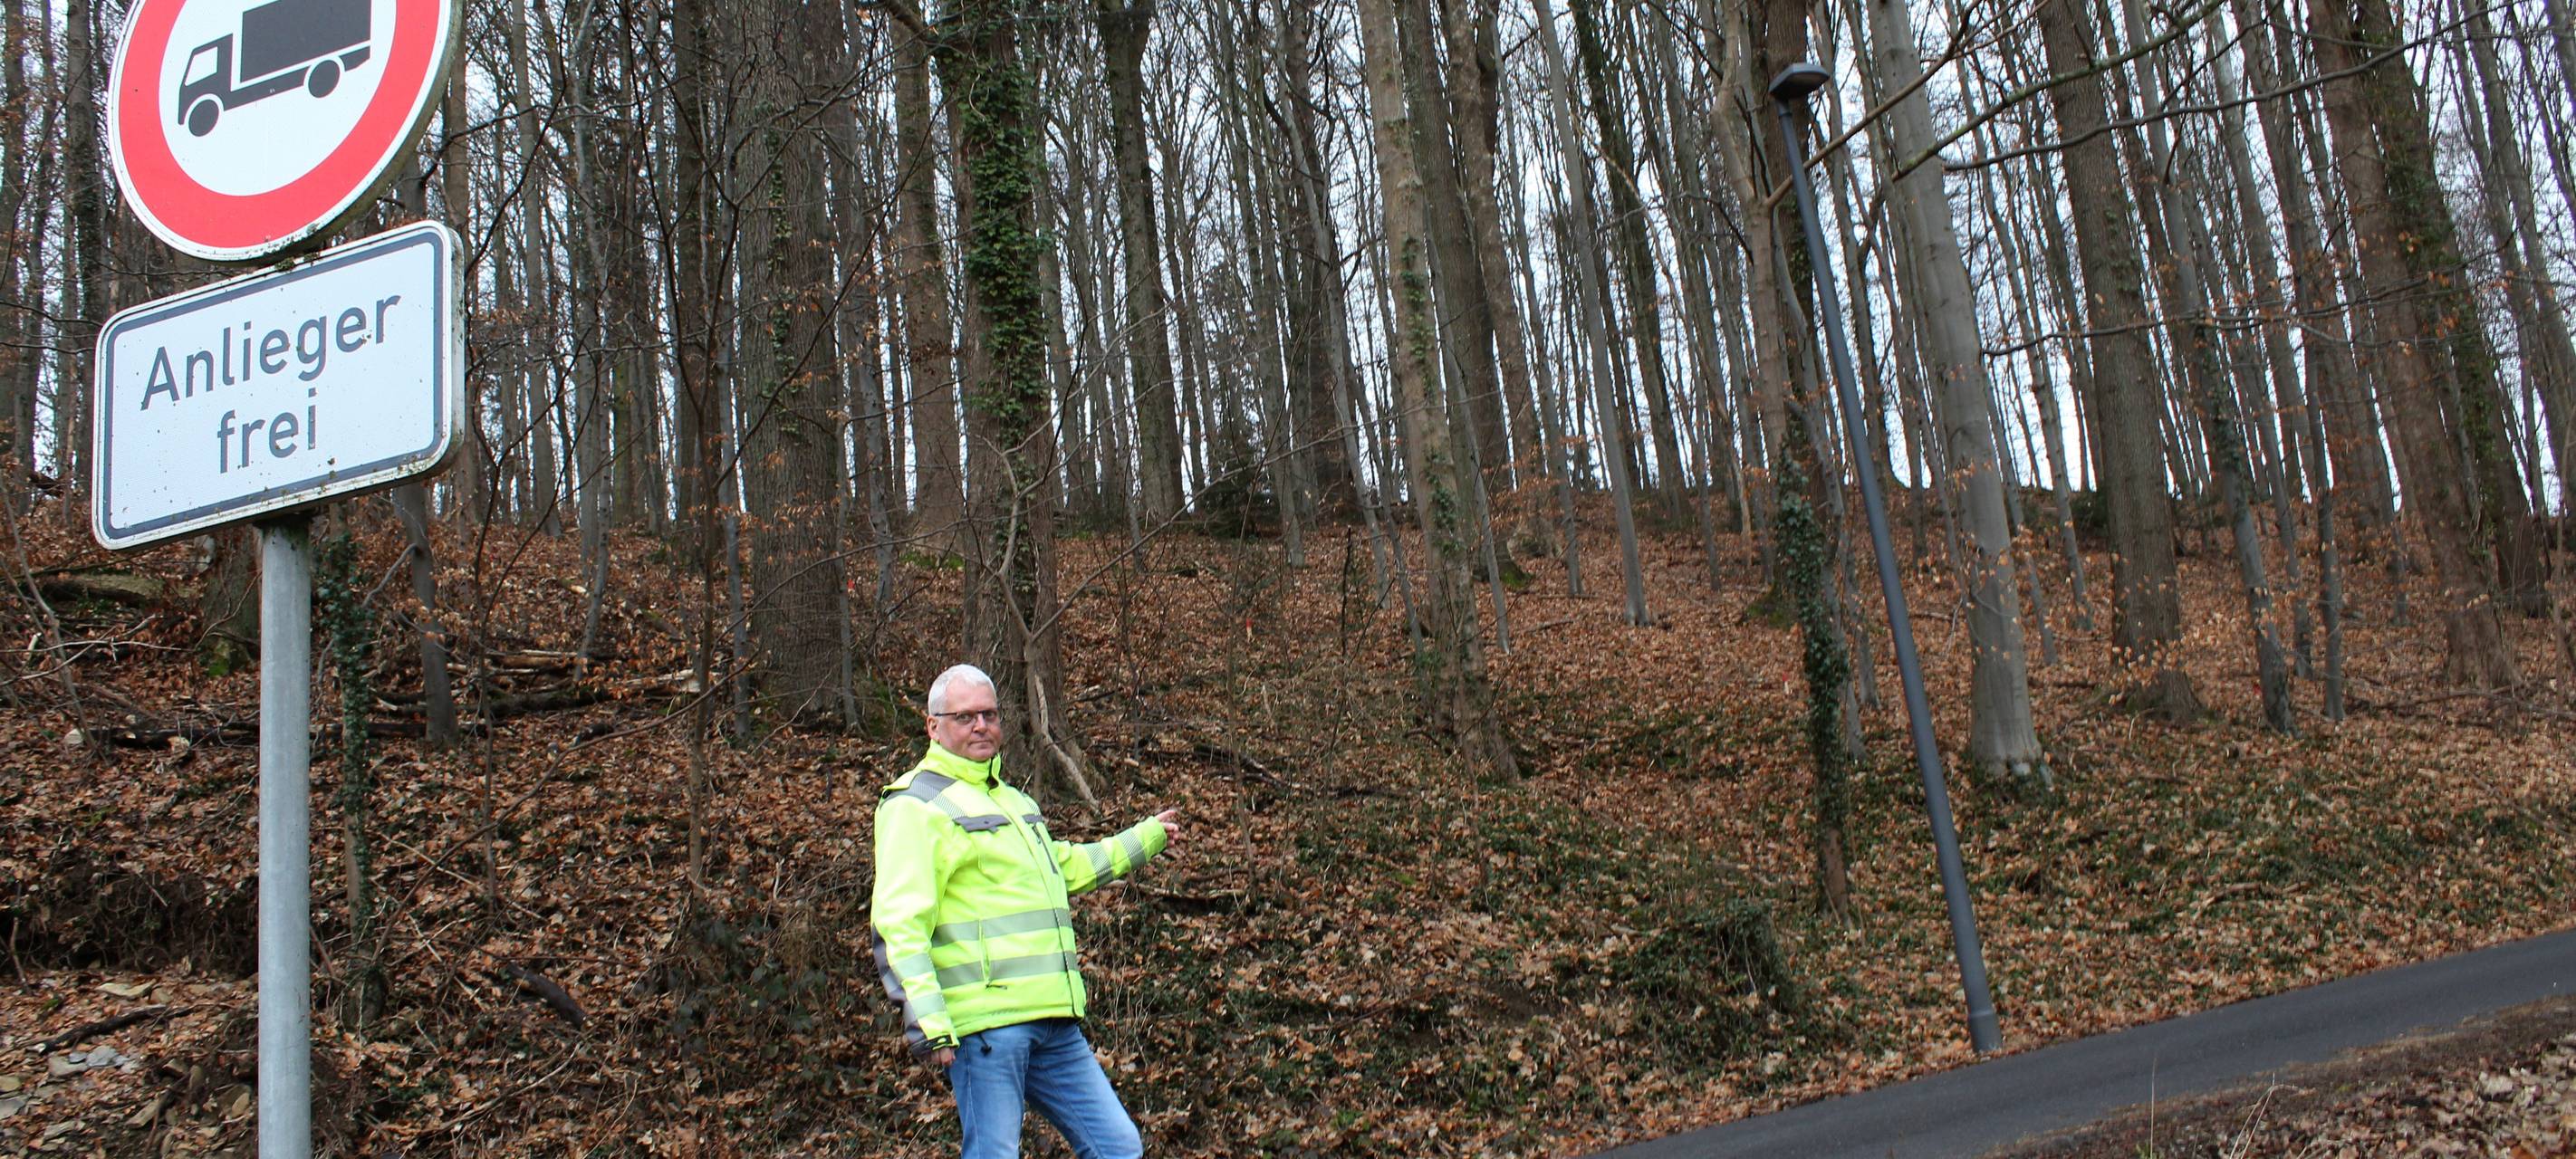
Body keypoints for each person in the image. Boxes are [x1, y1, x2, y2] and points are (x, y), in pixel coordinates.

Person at [872, 663, 1177, 1159]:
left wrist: (1143, 840)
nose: (980, 726)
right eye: (965, 716)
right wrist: (929, 1022)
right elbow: (900, 924)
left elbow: (1066, 867)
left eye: (989, 715)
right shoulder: (915, 805)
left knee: (1118, 1146)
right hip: (988, 1028)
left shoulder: (1012, 801)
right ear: (934, 726)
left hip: (1053, 1020)